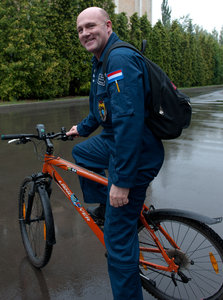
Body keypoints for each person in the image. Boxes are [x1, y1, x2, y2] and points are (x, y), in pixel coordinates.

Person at [66, 7, 164, 300]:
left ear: (108, 25)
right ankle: (108, 210)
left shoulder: (119, 59)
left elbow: (127, 123)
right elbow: (101, 107)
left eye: (91, 26)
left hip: (138, 151)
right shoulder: (101, 60)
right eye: (80, 29)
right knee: (82, 153)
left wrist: (120, 182)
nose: (85, 33)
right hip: (115, 140)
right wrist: (81, 129)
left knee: (117, 243)